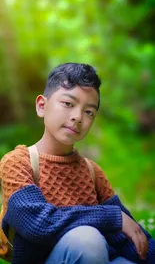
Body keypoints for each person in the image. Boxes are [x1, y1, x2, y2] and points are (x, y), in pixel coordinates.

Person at [0, 62, 154, 264]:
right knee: (87, 241)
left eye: (89, 112)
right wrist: (112, 218)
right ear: (41, 106)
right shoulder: (18, 162)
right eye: (68, 104)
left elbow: (128, 235)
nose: (77, 117)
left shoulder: (92, 172)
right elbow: (37, 224)